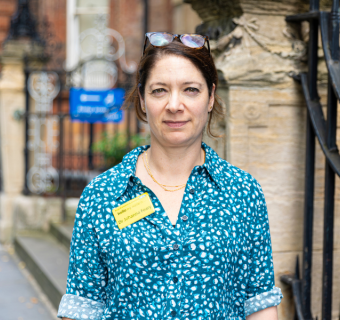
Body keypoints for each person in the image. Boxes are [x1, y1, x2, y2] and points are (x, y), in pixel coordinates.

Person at [58, 32, 282, 320]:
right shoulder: (102, 195)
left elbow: (259, 302)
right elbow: (82, 307)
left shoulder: (242, 191)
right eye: (159, 90)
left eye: (190, 89)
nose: (174, 105)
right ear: (141, 98)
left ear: (211, 97)